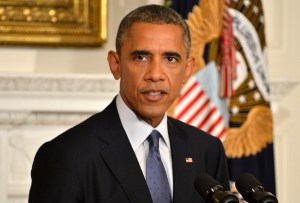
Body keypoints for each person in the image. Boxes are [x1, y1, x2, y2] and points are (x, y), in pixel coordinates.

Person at [28, 4, 229, 203]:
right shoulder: (66, 156)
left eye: (170, 58)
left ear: (187, 69)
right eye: (141, 57)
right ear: (116, 65)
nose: (156, 74)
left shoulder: (207, 150)